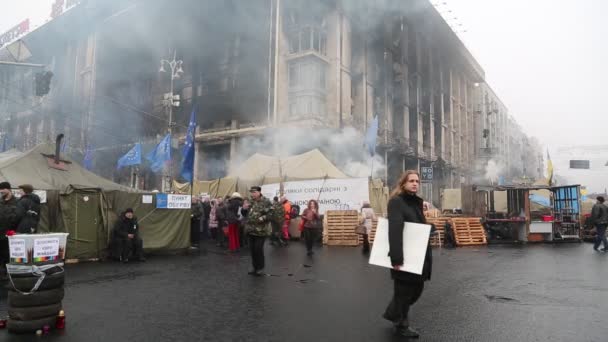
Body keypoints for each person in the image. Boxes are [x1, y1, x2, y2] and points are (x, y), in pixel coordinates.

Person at [382, 170, 432, 338]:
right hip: (404, 255)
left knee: (416, 289)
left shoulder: (415, 202)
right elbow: (394, 230)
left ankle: (393, 313)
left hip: (417, 254)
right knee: (404, 292)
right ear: (403, 183)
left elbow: (416, 226)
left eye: (417, 181)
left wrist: (431, 228)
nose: (415, 183)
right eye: (411, 180)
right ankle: (402, 325)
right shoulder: (396, 202)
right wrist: (396, 258)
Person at [244, 186, 272, 276]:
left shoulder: (266, 201)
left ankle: (260, 268)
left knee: (258, 249)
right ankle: (254, 267)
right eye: (251, 192)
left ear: (259, 192)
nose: (252, 194)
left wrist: (262, 218)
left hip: (261, 231)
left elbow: (271, 213)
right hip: (250, 230)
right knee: (252, 250)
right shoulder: (250, 201)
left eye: (254, 192)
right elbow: (245, 214)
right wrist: (244, 209)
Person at [0, 181, 17, 266]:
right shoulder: (0, 201)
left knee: (8, 255)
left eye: (3, 189)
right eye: (0, 189)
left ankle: (7, 273)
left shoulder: (16, 201)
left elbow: (18, 217)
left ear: (9, 189)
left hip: (10, 234)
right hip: (0, 233)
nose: (1, 191)